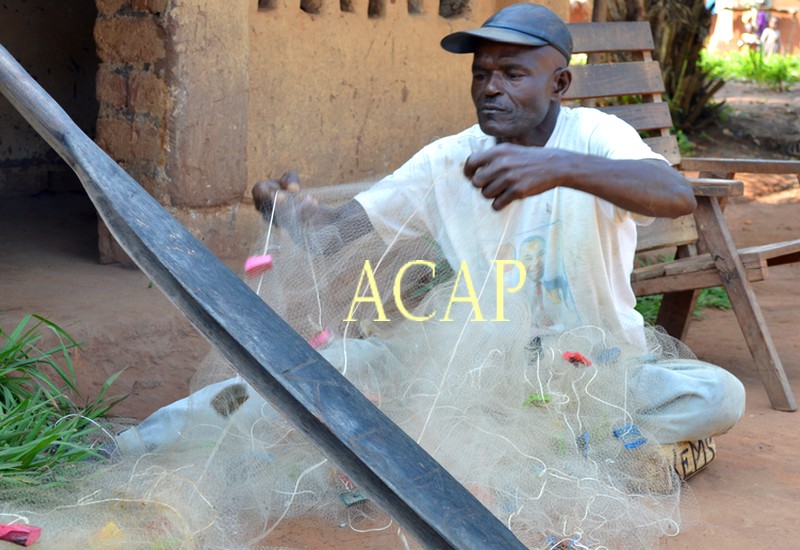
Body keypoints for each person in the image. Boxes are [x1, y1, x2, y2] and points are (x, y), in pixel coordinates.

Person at [115, 4, 746, 545]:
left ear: (559, 83)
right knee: (311, 374)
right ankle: (126, 449)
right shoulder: (448, 159)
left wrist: (557, 167)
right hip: (455, 380)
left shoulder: (599, 137)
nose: (491, 88)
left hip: (599, 376)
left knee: (717, 394)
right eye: (482, 74)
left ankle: (548, 453)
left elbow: (672, 194)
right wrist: (294, 213)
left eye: (512, 73)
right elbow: (339, 232)